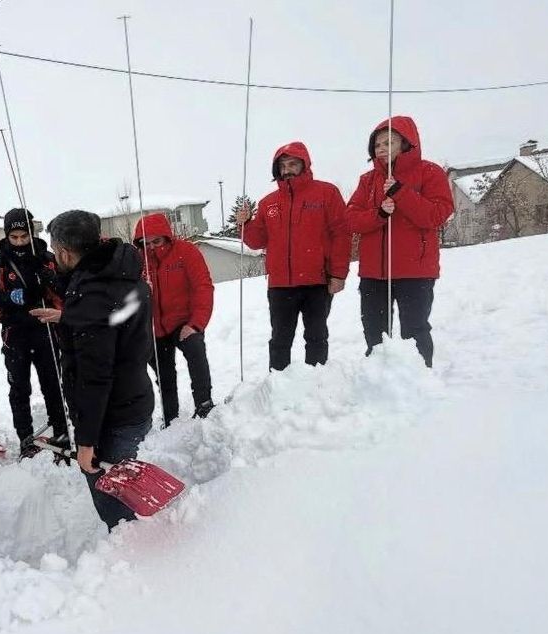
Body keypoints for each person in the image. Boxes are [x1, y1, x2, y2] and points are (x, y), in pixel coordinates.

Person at [31, 210, 154, 530]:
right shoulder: (121, 272)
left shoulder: (91, 295)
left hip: (114, 414)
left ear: (64, 252)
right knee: (122, 481)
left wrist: (86, 444)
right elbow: (114, 321)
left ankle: (134, 545)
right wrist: (71, 318)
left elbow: (95, 377)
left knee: (110, 493)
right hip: (135, 399)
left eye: (55, 250)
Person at [344, 116, 454, 367]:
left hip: (415, 272)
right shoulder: (367, 180)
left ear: (406, 143)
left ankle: (419, 377)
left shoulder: (430, 172)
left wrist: (401, 193)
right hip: (373, 273)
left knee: (415, 331)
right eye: (377, 144)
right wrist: (379, 214)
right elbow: (350, 219)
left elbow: (436, 215)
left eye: (388, 143)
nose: (381, 149)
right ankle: (376, 378)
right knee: (374, 333)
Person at [235, 141, 350, 369]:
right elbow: (257, 241)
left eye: (292, 164)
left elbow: (341, 235)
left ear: (304, 165)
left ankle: (317, 382)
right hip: (280, 285)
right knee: (280, 340)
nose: (287, 170)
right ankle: (278, 382)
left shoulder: (326, 193)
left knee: (316, 336)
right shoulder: (268, 203)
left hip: (317, 281)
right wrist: (245, 224)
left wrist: (338, 274)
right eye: (282, 166)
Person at [0, 208, 71, 458]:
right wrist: (9, 297)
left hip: (46, 331)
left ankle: (61, 432)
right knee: (19, 388)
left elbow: (67, 289)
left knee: (53, 385)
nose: (20, 242)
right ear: (7, 236)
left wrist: (51, 279)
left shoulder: (46, 258)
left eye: (24, 236)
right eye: (15, 237)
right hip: (15, 334)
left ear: (32, 234)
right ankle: (26, 438)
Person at [131, 212, 216, 424]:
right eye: (145, 243)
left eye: (156, 241)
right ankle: (170, 418)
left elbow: (203, 287)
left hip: (184, 322)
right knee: (164, 375)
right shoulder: (137, 261)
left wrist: (196, 324)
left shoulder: (186, 252)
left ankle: (204, 404)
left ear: (167, 237)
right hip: (154, 328)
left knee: (196, 353)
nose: (151, 247)